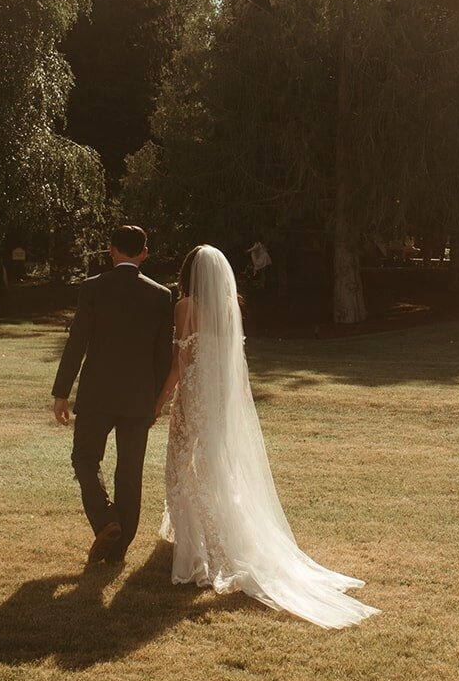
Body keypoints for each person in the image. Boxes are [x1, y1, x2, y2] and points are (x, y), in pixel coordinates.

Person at [157, 244, 378, 628]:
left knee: (180, 467)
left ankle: (197, 550)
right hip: (222, 400)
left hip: (193, 397)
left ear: (188, 274)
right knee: (215, 468)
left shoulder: (185, 307)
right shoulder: (231, 306)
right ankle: (216, 536)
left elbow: (182, 362)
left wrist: (160, 399)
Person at [51, 225, 174, 566]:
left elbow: (77, 342)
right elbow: (163, 355)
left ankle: (106, 521)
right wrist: (157, 399)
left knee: (85, 459)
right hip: (139, 397)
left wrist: (62, 391)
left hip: (97, 393)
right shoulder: (161, 295)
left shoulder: (92, 288)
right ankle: (117, 549)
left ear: (111, 250)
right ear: (144, 253)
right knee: (129, 471)